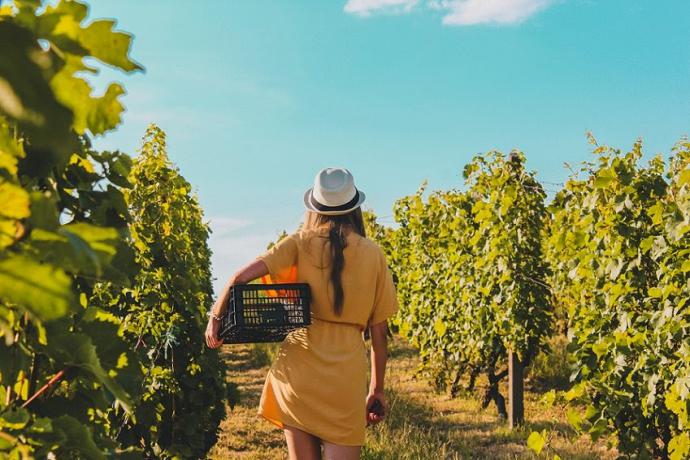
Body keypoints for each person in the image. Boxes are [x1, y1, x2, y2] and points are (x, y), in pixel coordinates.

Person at [205, 167, 399, 460]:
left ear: (316, 207)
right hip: (344, 379)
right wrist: (376, 390)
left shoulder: (298, 242)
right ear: (354, 207)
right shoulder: (374, 254)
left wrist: (216, 318)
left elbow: (238, 278)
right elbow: (379, 334)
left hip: (298, 370)